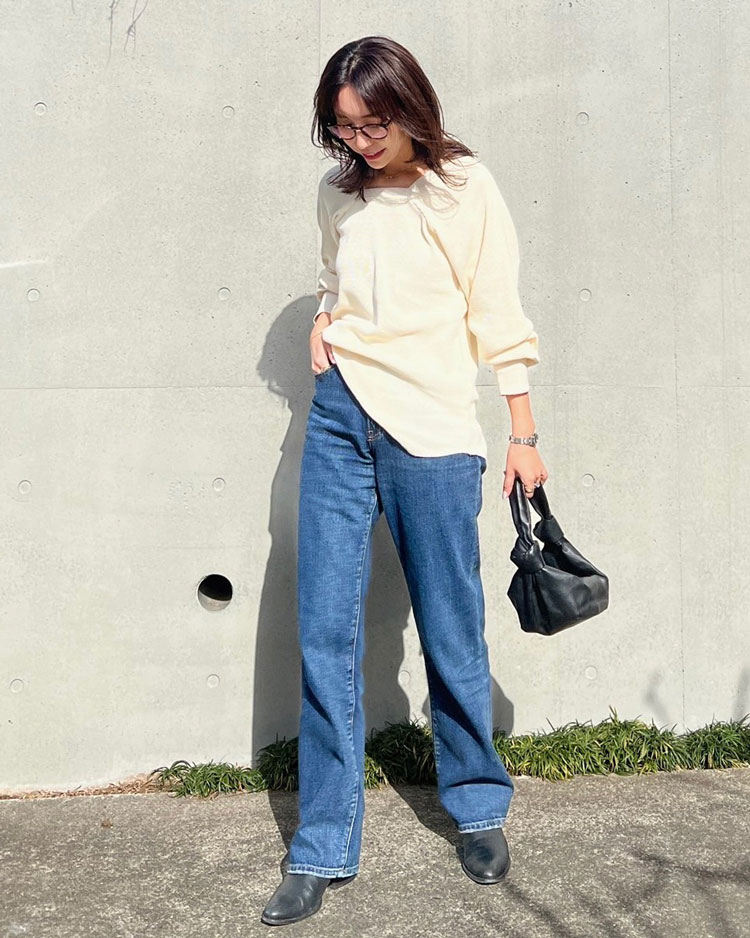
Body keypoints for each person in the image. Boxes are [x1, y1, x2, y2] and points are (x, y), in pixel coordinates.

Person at [261, 35, 547, 927]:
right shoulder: (337, 192)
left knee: (451, 625)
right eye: (344, 127)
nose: (360, 141)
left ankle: (477, 806)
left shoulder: (464, 187)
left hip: (433, 429)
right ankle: (321, 844)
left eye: (373, 122)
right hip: (340, 420)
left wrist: (523, 431)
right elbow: (333, 277)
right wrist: (324, 319)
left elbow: (497, 311)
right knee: (325, 633)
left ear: (409, 104)